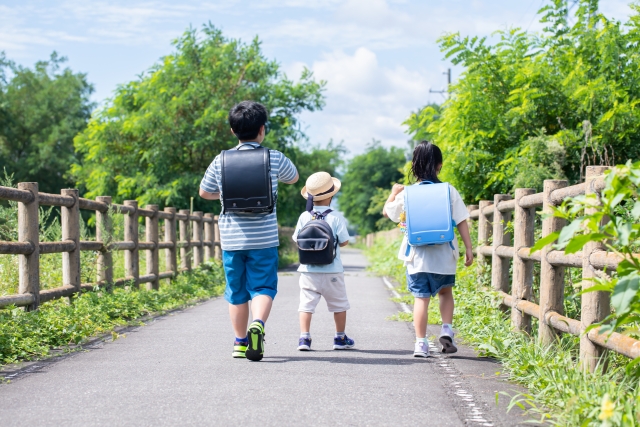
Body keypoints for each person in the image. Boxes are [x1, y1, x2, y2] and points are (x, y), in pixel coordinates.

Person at [199, 101, 299, 361]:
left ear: (233, 130)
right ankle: (259, 324)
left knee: (236, 292)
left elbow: (204, 192)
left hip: (232, 239)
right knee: (263, 287)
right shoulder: (273, 157)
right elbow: (294, 177)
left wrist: (228, 195)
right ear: (262, 130)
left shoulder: (220, 160)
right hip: (264, 238)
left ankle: (240, 341)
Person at [383, 141, 473, 357]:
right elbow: (461, 220)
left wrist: (394, 192)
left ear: (414, 166)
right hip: (444, 256)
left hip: (417, 257)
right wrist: (469, 248)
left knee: (421, 299)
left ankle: (421, 344)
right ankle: (446, 330)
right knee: (445, 293)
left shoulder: (408, 193)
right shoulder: (448, 190)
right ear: (439, 165)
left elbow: (388, 213)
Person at [292, 172, 353, 351]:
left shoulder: (304, 216)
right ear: (331, 196)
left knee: (306, 304)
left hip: (308, 271)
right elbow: (344, 241)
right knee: (339, 304)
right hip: (332, 270)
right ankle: (340, 338)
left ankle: (304, 338)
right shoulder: (336, 217)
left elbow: (297, 239)